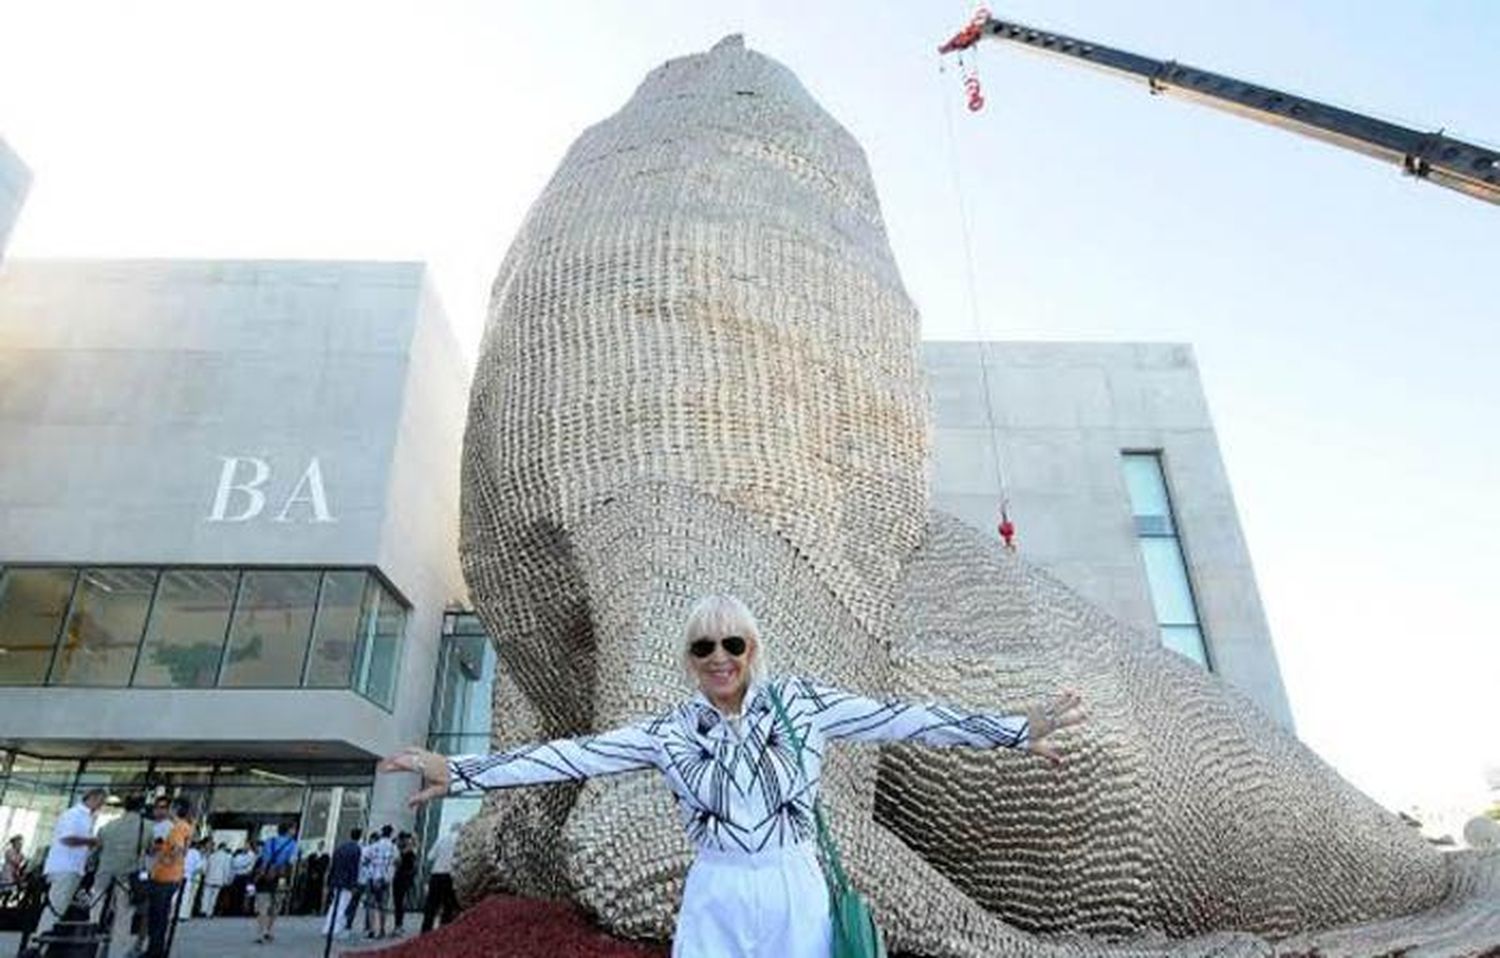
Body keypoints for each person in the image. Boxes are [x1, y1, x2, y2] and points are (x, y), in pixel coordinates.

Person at [381, 593, 1086, 958]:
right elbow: (573, 754)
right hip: (715, 889)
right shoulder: (671, 731)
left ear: (753, 647)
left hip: (793, 885)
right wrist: (463, 769)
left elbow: (905, 719)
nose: (720, 657)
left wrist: (1016, 730)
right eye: (703, 646)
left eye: (733, 643)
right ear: (690, 657)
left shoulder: (805, 705)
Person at [35, 787, 105, 943]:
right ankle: (40, 940)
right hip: (65, 868)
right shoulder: (74, 815)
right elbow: (67, 838)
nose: (102, 804)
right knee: (56, 906)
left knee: (60, 906)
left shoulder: (87, 817)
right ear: (92, 797)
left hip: (74, 868)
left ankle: (46, 940)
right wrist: (91, 841)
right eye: (101, 800)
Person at [93, 795, 148, 958]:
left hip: (104, 876)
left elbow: (97, 848)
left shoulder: (108, 826)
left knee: (96, 913)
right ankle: (116, 953)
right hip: (127, 878)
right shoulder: (147, 827)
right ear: (141, 809)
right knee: (123, 917)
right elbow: (152, 850)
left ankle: (91, 949)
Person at [145, 797, 194, 958]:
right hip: (174, 876)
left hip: (164, 876)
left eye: (169, 807)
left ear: (175, 809)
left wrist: (166, 859)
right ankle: (157, 950)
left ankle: (154, 951)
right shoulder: (187, 826)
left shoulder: (178, 828)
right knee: (162, 915)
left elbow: (178, 848)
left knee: (157, 916)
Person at [252, 823, 298, 943]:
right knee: (276, 905)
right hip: (280, 877)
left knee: (263, 906)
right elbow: (292, 862)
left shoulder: (269, 841)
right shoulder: (293, 844)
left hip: (264, 875)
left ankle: (260, 933)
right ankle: (269, 930)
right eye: (293, 829)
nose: (294, 831)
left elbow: (263, 858)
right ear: (289, 830)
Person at [323, 828, 362, 939]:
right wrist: (354, 884)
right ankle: (336, 929)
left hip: (337, 879)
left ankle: (327, 927)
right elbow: (354, 868)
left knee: (334, 904)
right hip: (347, 882)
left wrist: (330, 880)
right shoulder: (356, 849)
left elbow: (333, 865)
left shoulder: (340, 847)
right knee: (343, 906)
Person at [421, 823, 460, 932]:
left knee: (431, 905)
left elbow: (430, 857)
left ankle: (425, 931)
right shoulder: (461, 840)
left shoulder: (441, 839)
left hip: (436, 874)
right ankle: (443, 930)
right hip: (450, 876)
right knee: (449, 906)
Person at [360, 825, 397, 939]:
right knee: (383, 906)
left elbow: (364, 860)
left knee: (371, 905)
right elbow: (397, 861)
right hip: (385, 879)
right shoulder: (393, 847)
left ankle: (371, 930)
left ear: (382, 833)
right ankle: (382, 930)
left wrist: (372, 867)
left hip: (373, 877)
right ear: (391, 834)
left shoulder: (374, 846)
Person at [391, 832, 417, 936]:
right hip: (405, 879)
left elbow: (396, 863)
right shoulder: (411, 852)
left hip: (400, 878)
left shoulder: (403, 852)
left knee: (399, 903)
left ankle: (398, 926)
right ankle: (399, 925)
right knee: (400, 904)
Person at [177, 838, 205, 920]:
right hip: (188, 876)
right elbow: (199, 867)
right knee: (185, 897)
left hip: (177, 875)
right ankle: (182, 915)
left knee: (176, 896)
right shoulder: (195, 853)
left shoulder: (179, 850)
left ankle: (172, 914)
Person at [201, 842, 232, 917]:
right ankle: (210, 912)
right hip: (219, 879)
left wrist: (204, 874)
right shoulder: (226, 857)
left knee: (206, 895)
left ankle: (203, 910)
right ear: (224, 848)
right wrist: (226, 880)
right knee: (214, 896)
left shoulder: (212, 855)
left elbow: (205, 867)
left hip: (209, 878)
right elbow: (226, 869)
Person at [228, 843, 255, 915]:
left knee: (247, 894)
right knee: (237, 894)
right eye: (245, 846)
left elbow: (244, 864)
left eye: (247, 846)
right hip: (239, 877)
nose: (245, 847)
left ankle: (246, 910)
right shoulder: (240, 855)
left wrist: (239, 864)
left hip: (247, 877)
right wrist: (240, 864)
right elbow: (234, 864)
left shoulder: (251, 855)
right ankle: (237, 910)